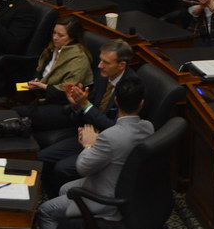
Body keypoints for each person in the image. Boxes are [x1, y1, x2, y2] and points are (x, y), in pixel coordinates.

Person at [23, 79, 153, 229]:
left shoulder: (111, 137)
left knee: (46, 211)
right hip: (128, 190)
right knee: (65, 189)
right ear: (141, 104)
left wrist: (89, 145)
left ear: (117, 100)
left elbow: (82, 167)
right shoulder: (148, 127)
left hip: (107, 198)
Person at [24, 39, 143, 196]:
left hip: (107, 144)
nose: (100, 65)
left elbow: (116, 128)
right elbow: (89, 107)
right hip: (86, 133)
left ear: (121, 65)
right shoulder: (103, 76)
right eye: (100, 60)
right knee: (41, 157)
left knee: (62, 167)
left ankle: (63, 204)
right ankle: (48, 197)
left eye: (106, 62)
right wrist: (77, 104)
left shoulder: (130, 87)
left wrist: (85, 105)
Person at [24, 17, 94, 92]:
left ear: (72, 38)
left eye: (60, 35)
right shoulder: (53, 47)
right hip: (39, 89)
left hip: (57, 98)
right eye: (54, 32)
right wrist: (37, 80)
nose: (54, 37)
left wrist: (43, 86)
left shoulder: (79, 59)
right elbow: (42, 69)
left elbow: (68, 90)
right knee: (14, 87)